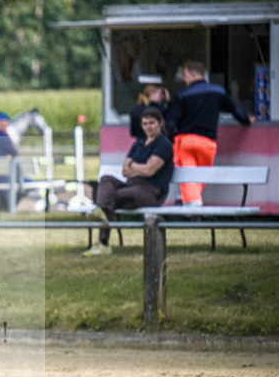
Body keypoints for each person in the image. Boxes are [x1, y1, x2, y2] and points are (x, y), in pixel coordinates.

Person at [83, 106, 174, 257]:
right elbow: (125, 170)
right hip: (132, 185)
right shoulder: (139, 143)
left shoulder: (163, 144)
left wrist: (134, 166)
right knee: (106, 180)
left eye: (151, 123)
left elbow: (149, 171)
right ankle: (101, 210)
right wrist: (140, 167)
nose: (148, 127)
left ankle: (103, 242)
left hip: (152, 191)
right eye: (145, 124)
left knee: (110, 198)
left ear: (160, 123)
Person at [166, 61, 255, 206]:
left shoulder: (183, 95)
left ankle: (192, 209)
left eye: (185, 75)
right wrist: (246, 120)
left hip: (185, 141)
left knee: (188, 177)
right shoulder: (218, 91)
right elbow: (235, 110)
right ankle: (188, 201)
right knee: (201, 177)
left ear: (193, 74)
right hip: (207, 143)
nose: (184, 79)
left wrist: (170, 137)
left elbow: (171, 122)